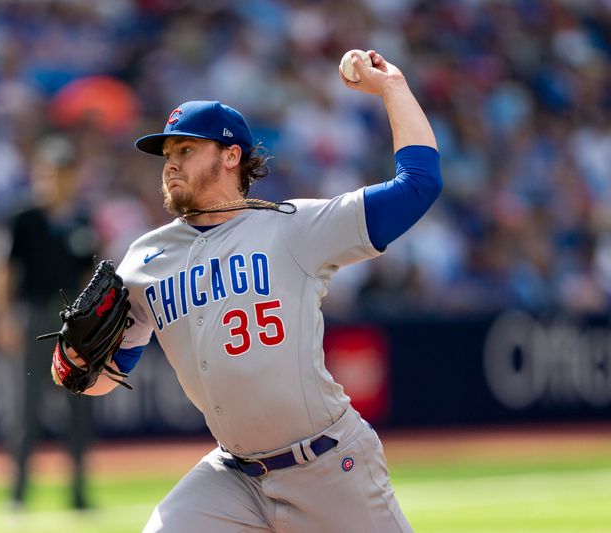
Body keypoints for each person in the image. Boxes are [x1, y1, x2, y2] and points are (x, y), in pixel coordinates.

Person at [59, 50, 442, 531]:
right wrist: (74, 368)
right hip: (233, 476)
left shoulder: (295, 227)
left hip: (327, 466)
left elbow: (420, 185)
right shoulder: (143, 258)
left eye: (185, 150)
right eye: (167, 155)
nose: (170, 165)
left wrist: (394, 88)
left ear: (230, 155)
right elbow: (107, 377)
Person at [0, 134, 99, 511]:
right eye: (51, 170)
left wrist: (94, 325)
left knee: (79, 407)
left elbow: (91, 276)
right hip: (31, 313)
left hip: (71, 321)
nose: (57, 179)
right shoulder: (22, 216)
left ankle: (79, 493)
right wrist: (1, 318)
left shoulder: (81, 218)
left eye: (64, 171)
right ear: (39, 172)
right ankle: (18, 493)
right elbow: (1, 270)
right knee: (23, 407)